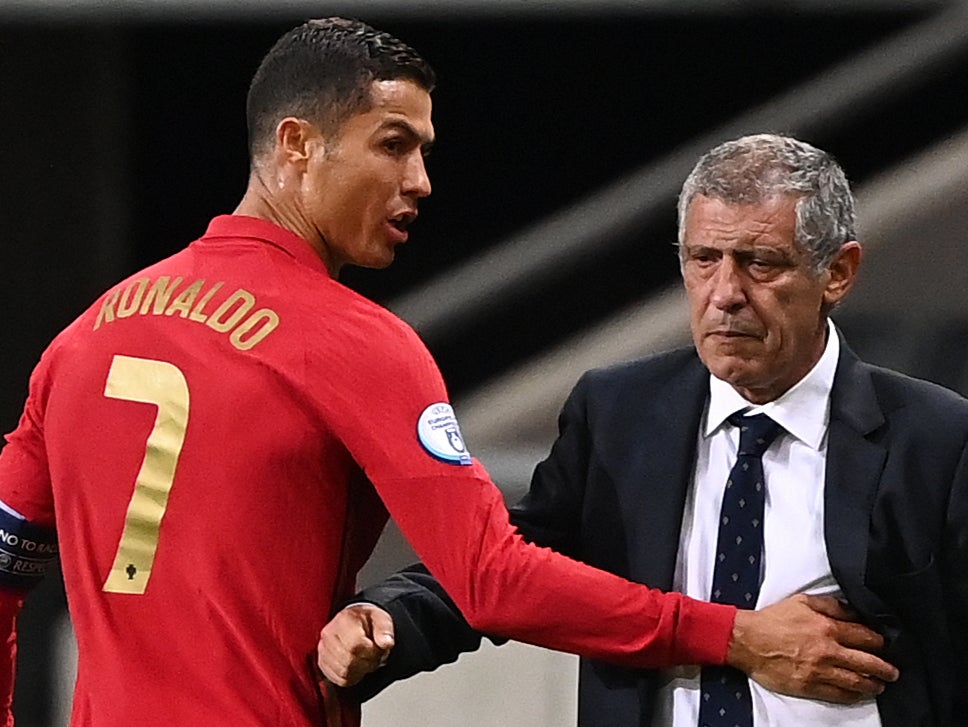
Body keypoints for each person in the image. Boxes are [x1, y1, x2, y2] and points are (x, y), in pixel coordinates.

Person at [0, 22, 898, 726]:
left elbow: (5, 567)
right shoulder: (350, 339)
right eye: (393, 144)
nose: (422, 179)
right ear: (297, 144)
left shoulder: (84, 338)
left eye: (423, 149)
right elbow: (490, 577)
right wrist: (734, 634)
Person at [319, 134, 968, 726]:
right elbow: (509, 563)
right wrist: (391, 618)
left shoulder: (936, 439)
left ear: (838, 272)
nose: (725, 293)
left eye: (760, 263)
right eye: (703, 258)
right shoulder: (621, 414)